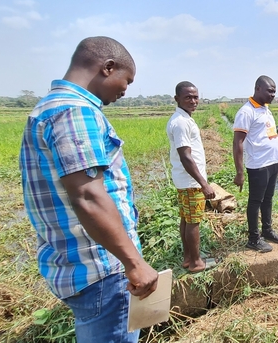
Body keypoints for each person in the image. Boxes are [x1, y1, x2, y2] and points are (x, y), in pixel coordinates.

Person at [19, 36, 158, 343]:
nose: (125, 90)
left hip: (86, 266)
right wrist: (134, 262)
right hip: (103, 269)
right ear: (108, 68)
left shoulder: (50, 107)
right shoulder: (74, 112)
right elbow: (89, 196)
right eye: (127, 81)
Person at [233, 76, 278, 253]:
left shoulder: (265, 109)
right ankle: (253, 239)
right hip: (258, 165)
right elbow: (238, 143)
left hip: (272, 162)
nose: (272, 94)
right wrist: (239, 172)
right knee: (255, 201)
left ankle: (267, 230)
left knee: (268, 199)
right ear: (257, 89)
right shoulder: (246, 112)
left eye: (274, 91)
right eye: (269, 91)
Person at [166, 81, 216, 273]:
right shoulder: (180, 123)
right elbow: (185, 157)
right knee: (193, 221)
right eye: (188, 97)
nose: (193, 101)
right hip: (191, 182)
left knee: (186, 219)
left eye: (195, 97)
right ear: (177, 98)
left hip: (186, 180)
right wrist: (204, 184)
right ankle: (196, 263)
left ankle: (188, 258)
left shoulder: (184, 119)